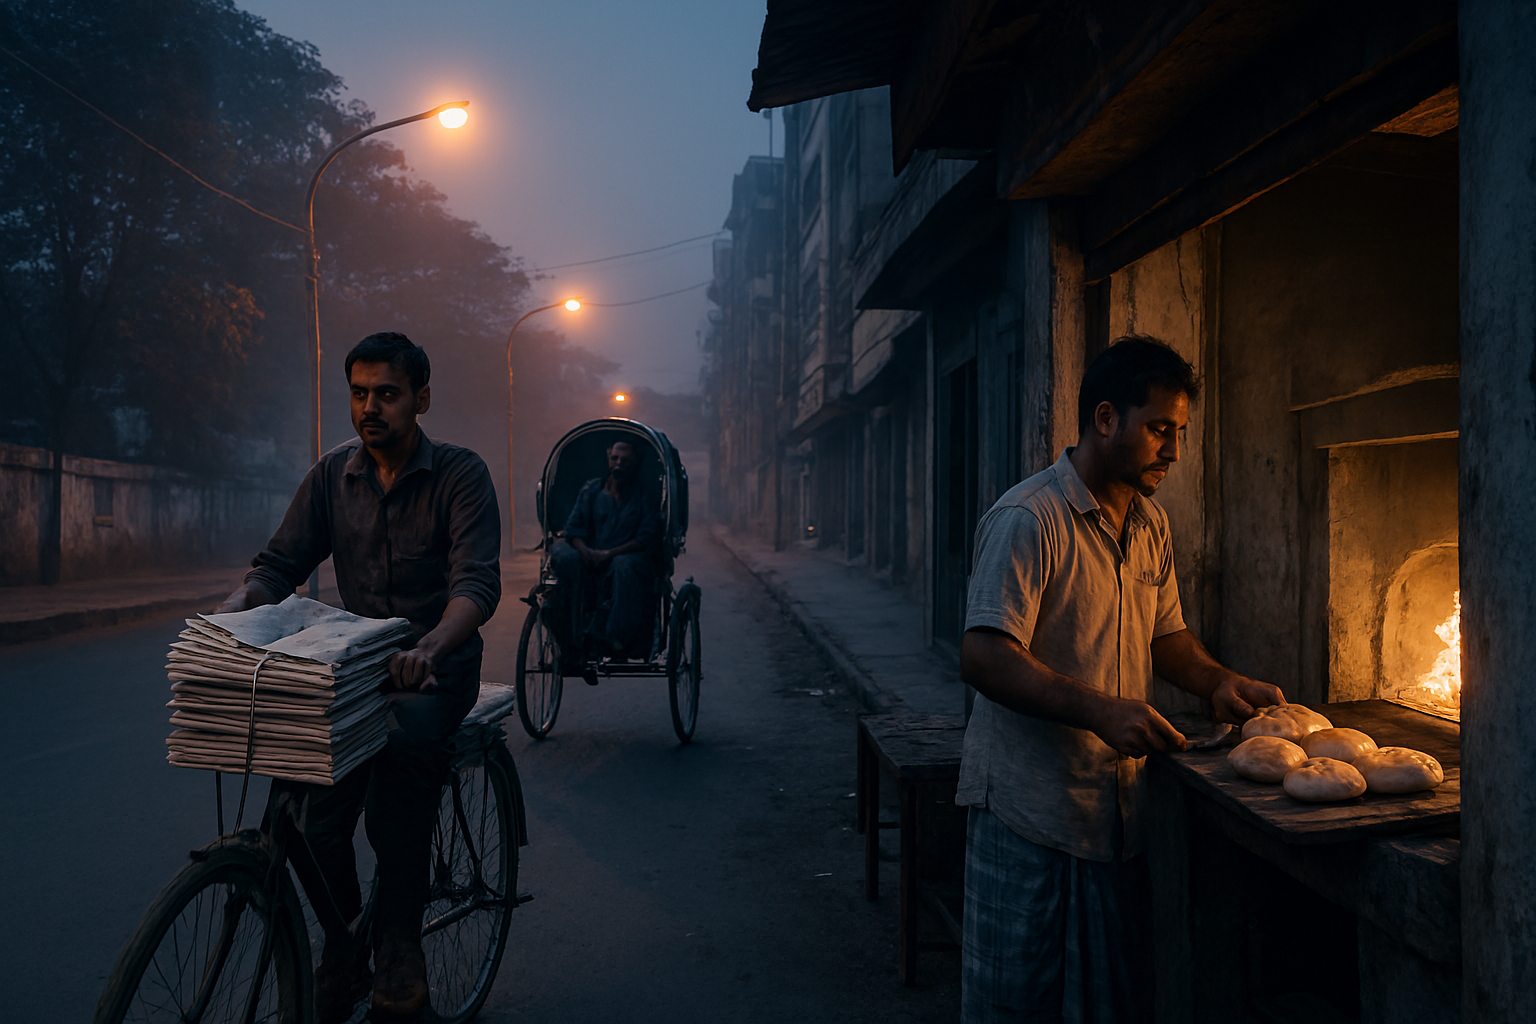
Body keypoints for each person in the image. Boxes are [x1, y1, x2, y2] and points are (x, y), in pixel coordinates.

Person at [956, 336, 1284, 1023]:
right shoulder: (1028, 519)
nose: (1172, 450)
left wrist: (1216, 682)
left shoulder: (1150, 525)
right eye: (1159, 429)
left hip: (1116, 823)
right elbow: (985, 656)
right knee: (1018, 1008)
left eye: (1180, 433)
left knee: (1112, 1008)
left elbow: (1168, 638)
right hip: (1030, 816)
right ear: (1106, 419)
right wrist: (1101, 710)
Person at [212, 332, 500, 1022]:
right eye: (359, 392)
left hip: (436, 669)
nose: (371, 407)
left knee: (396, 803)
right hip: (355, 667)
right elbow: (279, 566)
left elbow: (476, 585)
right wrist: (231, 612)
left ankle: (400, 949)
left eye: (388, 394)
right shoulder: (332, 475)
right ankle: (345, 945)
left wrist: (429, 647)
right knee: (311, 818)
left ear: (421, 400)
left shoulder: (460, 475)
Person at [546, 439, 664, 672]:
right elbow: (574, 529)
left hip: (626, 556)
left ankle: (615, 641)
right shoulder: (591, 490)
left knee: (624, 566)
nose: (618, 464)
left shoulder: (644, 497)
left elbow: (645, 538)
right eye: (615, 459)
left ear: (635, 464)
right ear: (608, 458)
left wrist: (609, 553)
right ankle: (570, 640)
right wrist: (586, 551)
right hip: (589, 556)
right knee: (563, 556)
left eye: (625, 461)